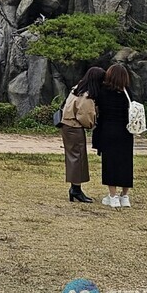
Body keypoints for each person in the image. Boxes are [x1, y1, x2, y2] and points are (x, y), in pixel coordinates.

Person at [92, 64, 134, 209]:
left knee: (110, 164)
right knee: (125, 163)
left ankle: (113, 196)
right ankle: (125, 196)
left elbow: (98, 111)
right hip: (126, 132)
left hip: (108, 131)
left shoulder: (103, 92)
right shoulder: (126, 92)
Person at [60, 66, 103, 203]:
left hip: (67, 125)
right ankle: (75, 189)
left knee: (74, 157)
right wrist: (93, 124)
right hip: (74, 127)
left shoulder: (77, 88)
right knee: (77, 158)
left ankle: (75, 188)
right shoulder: (87, 95)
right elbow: (85, 116)